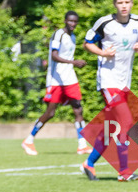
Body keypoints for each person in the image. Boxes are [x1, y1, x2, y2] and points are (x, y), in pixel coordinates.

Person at [80, 0, 138, 181]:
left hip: (124, 83)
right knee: (126, 123)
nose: (124, 6)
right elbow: (87, 43)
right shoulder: (104, 23)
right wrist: (102, 53)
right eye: (120, 3)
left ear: (132, 3)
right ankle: (124, 172)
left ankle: (89, 162)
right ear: (114, 4)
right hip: (108, 80)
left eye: (127, 2)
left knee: (111, 127)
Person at [22, 11, 89, 155]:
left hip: (69, 78)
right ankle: (29, 140)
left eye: (75, 22)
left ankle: (82, 145)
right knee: (50, 113)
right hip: (56, 79)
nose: (73, 24)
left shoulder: (73, 37)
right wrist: (73, 62)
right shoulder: (58, 34)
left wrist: (72, 64)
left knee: (78, 109)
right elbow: (54, 55)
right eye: (70, 21)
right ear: (65, 21)